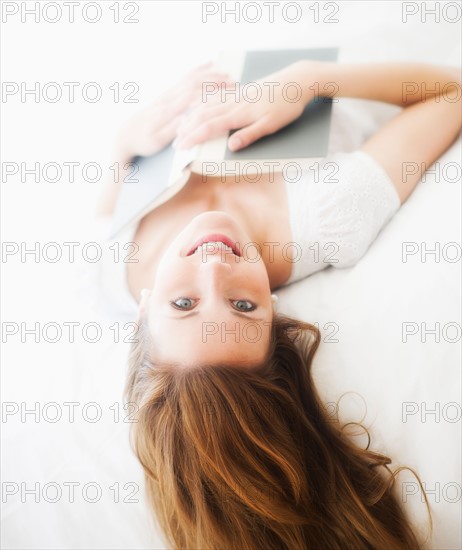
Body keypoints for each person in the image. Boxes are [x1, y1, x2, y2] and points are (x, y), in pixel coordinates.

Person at [96, 59, 461, 548]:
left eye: (184, 302)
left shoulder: (115, 271)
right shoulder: (334, 214)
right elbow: (450, 94)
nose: (212, 266)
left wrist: (126, 142)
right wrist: (310, 79)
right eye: (243, 307)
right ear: (273, 308)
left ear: (142, 312)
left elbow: (103, 207)